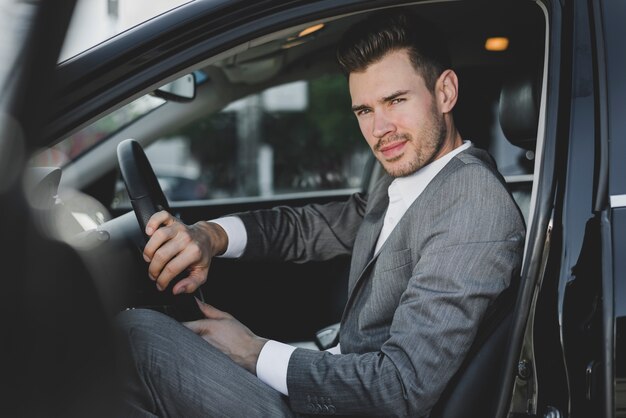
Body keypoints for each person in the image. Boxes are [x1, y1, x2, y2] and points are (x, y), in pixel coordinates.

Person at [116, 10, 525, 417]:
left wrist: (250, 351)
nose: (380, 129)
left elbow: (400, 388)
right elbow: (311, 227)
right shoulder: (406, 178)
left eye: (396, 101)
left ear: (446, 93)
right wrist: (210, 235)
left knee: (134, 340)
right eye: (364, 110)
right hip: (338, 375)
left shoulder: (473, 201)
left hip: (358, 405)